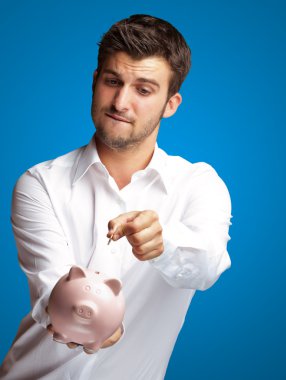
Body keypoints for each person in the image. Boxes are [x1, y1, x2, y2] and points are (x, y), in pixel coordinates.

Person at [0, 14, 232, 380]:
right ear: (95, 82)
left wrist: (163, 243)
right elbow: (51, 289)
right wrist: (84, 320)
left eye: (143, 89)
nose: (121, 102)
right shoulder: (40, 183)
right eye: (112, 81)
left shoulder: (197, 184)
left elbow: (208, 267)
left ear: (171, 104)